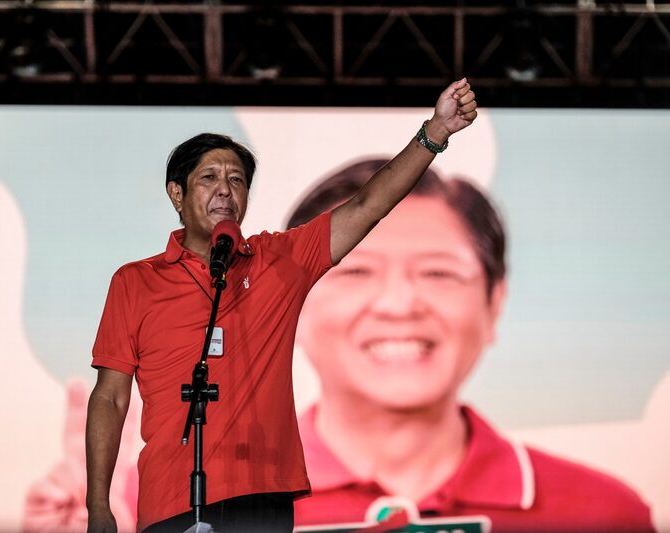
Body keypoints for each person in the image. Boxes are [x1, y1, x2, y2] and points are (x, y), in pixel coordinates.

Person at [85, 79, 478, 533]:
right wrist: (98, 505)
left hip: (262, 497)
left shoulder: (279, 260)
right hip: (171, 497)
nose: (225, 190)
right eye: (209, 178)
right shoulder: (136, 281)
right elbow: (110, 397)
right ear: (177, 194)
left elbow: (368, 206)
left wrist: (435, 132)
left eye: (236, 180)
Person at [285, 162, 656, 532]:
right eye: (355, 271)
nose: (398, 305)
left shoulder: (604, 515)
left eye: (438, 273)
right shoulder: (248, 502)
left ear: (494, 303)